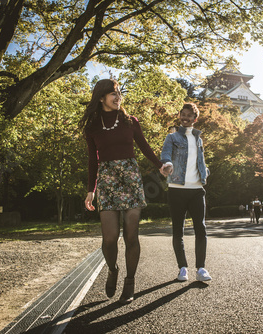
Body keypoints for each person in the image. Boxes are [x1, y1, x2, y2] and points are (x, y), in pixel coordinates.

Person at [80, 79, 163, 304]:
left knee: (131, 235)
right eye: (112, 94)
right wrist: (91, 190)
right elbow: (92, 160)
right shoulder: (93, 126)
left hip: (131, 178)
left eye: (119, 93)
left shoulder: (130, 121)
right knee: (109, 239)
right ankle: (113, 269)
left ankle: (130, 282)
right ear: (101, 98)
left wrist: (160, 166)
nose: (118, 97)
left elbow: (145, 147)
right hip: (107, 180)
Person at [160, 103, 212, 282]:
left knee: (201, 228)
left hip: (197, 189)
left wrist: (205, 171)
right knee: (178, 230)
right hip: (176, 189)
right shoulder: (172, 137)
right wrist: (167, 164)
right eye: (183, 114)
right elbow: (165, 154)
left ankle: (201, 268)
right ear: (180, 116)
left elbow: (200, 160)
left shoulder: (198, 139)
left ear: (195, 119)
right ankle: (182, 268)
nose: (185, 117)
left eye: (189, 115)